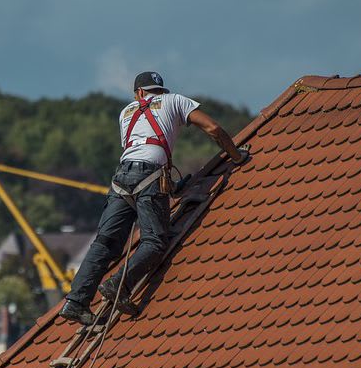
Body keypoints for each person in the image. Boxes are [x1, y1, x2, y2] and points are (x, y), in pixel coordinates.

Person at [60, 71, 250, 326]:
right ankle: (119, 285)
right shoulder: (174, 100)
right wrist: (236, 156)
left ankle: (76, 302)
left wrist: (169, 187)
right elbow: (213, 128)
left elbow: (139, 150)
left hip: (121, 179)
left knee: (104, 243)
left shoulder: (126, 112)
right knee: (155, 241)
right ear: (160, 90)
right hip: (149, 176)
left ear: (139, 93)